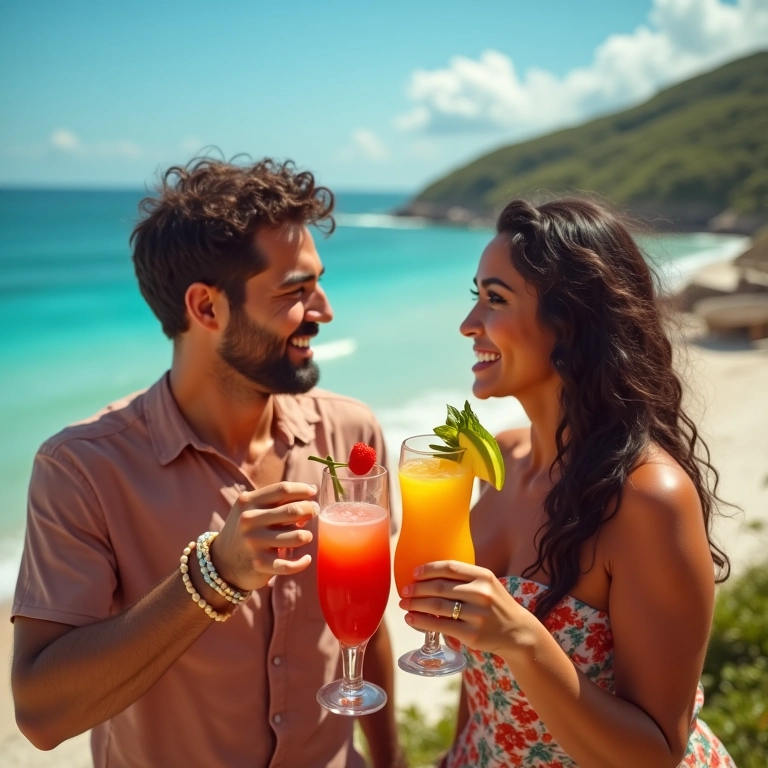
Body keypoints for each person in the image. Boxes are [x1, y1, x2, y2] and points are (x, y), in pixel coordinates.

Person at [11, 157, 404, 768]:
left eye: (318, 284)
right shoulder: (81, 468)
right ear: (206, 308)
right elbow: (40, 715)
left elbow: (365, 618)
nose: (324, 310)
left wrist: (390, 761)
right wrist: (212, 576)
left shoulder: (352, 432)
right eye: (295, 291)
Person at [399, 199, 736, 767]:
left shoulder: (647, 500)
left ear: (569, 323)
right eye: (474, 295)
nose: (468, 324)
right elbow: (482, 683)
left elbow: (658, 752)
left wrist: (525, 641)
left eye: (495, 299)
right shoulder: (499, 460)